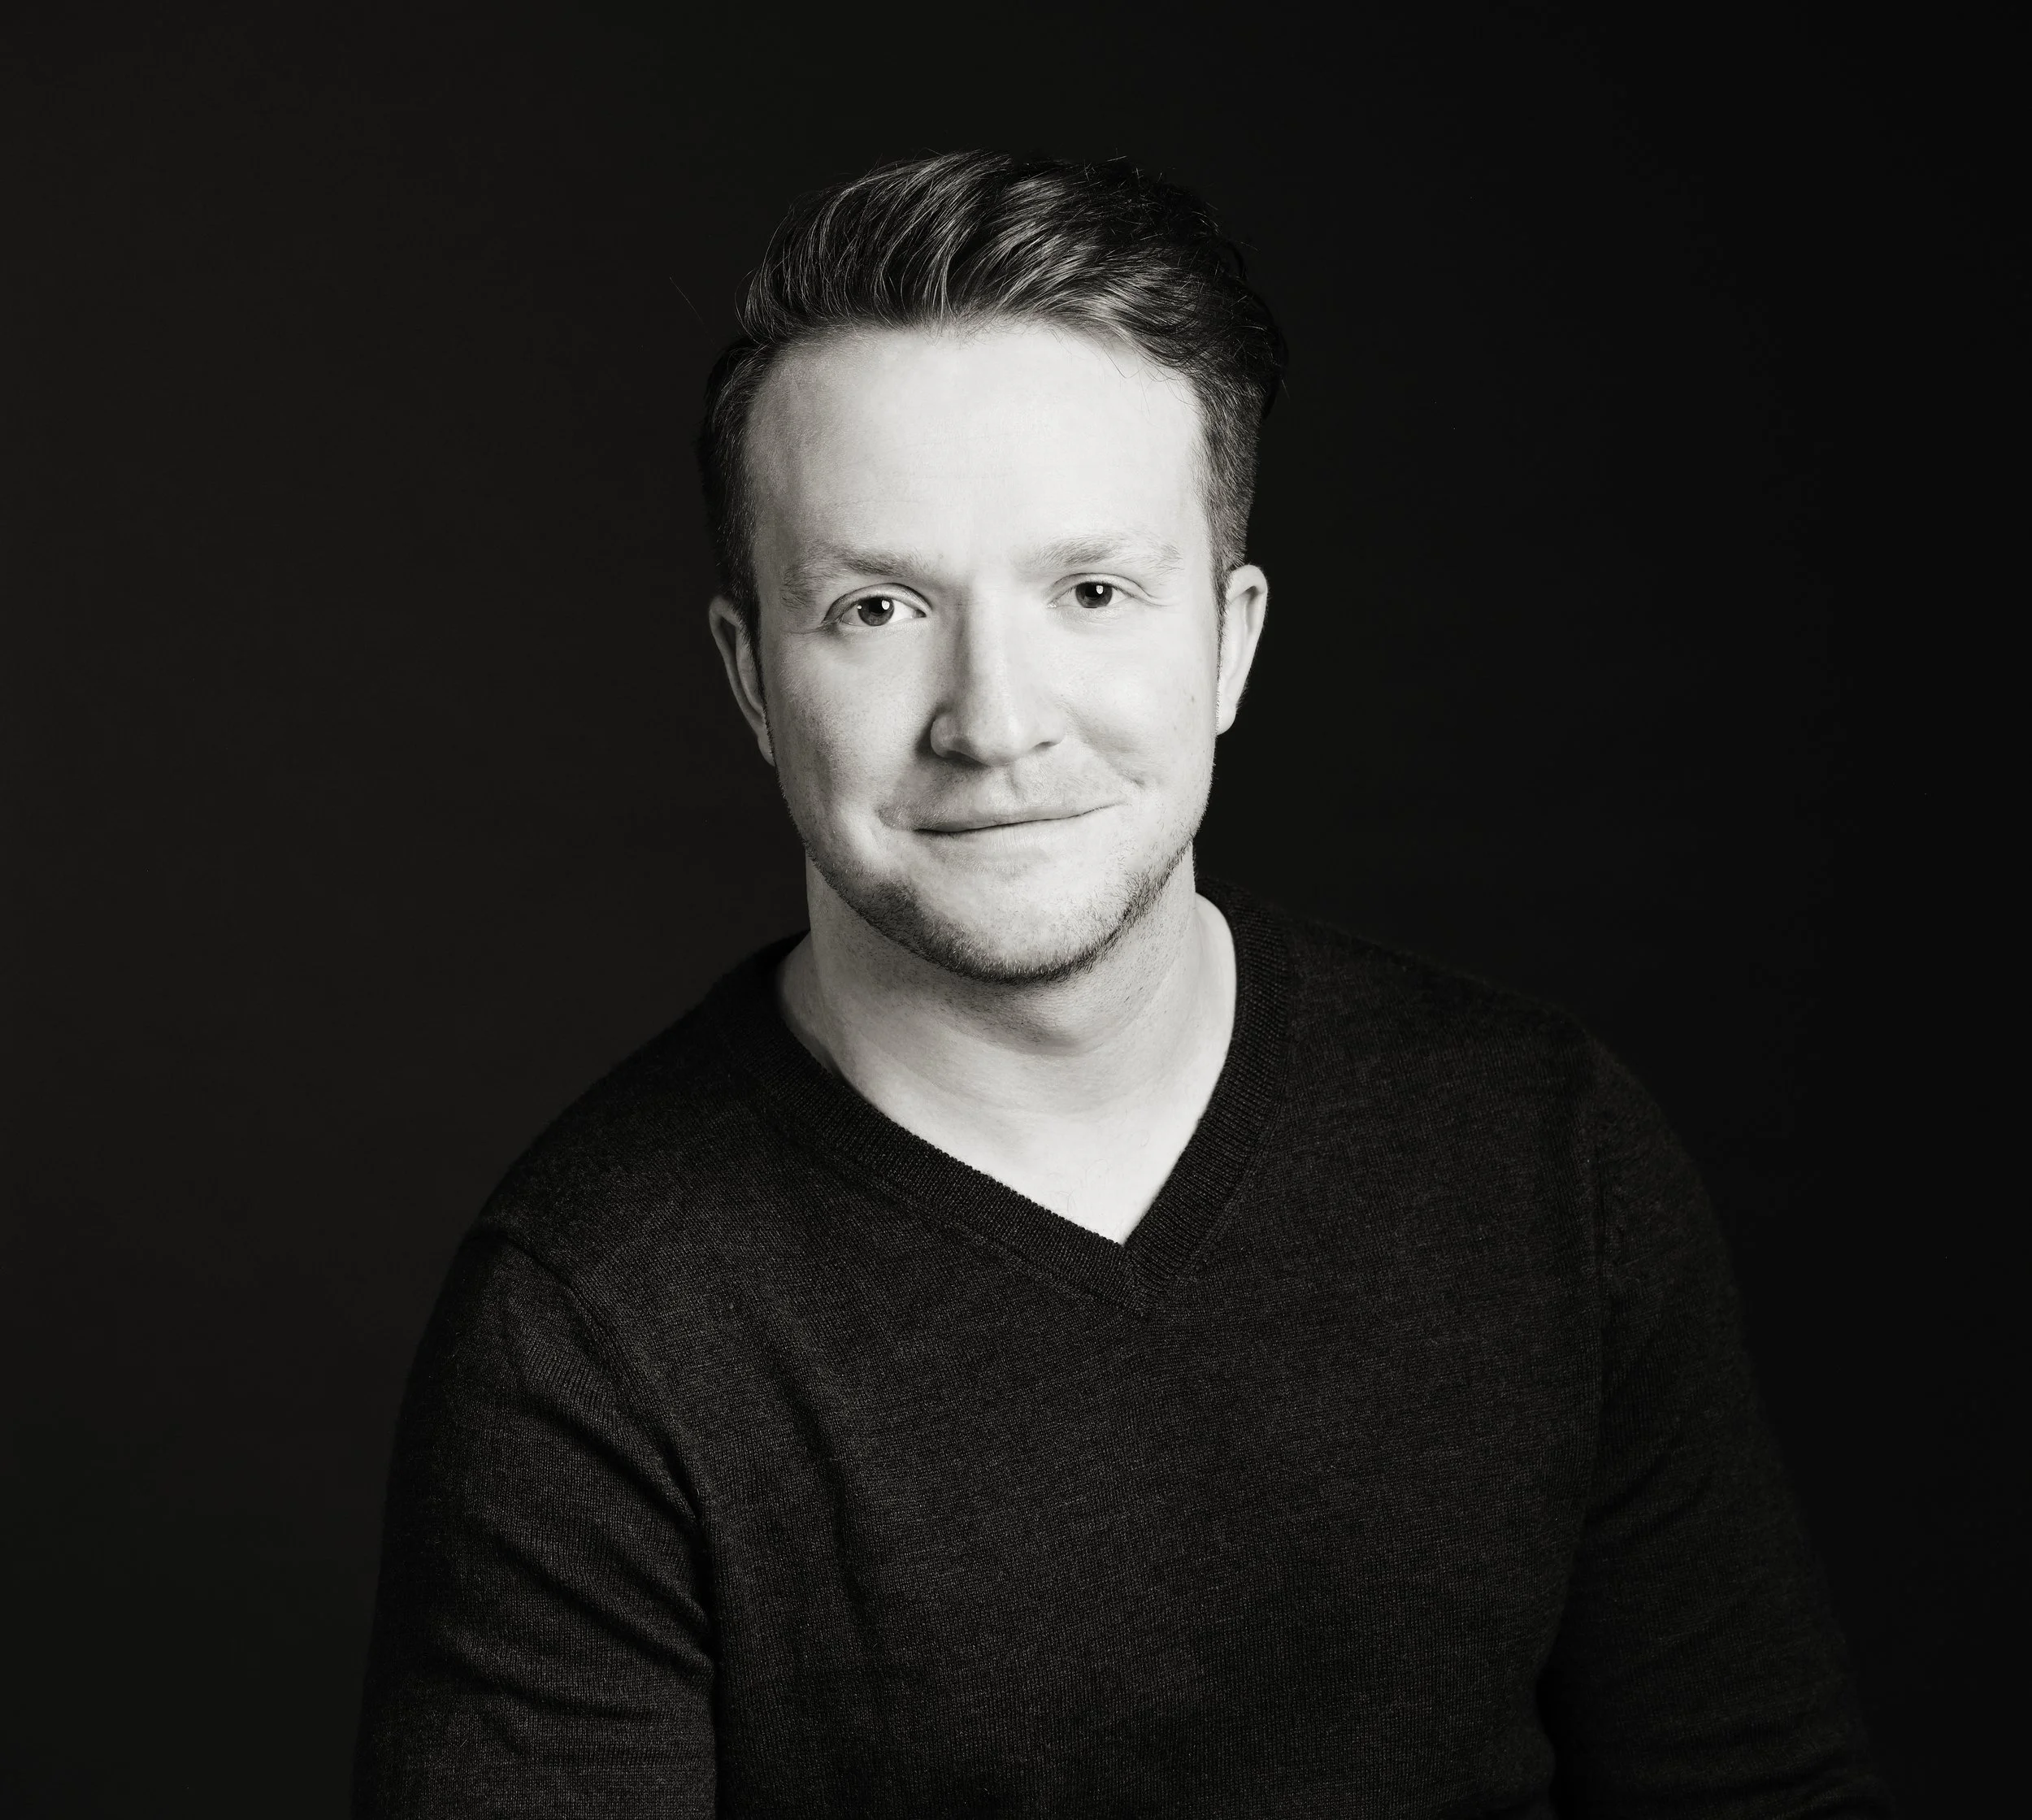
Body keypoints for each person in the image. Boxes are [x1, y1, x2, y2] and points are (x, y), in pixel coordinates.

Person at [354, 151, 1890, 1818]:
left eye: (1089, 593)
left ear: (1226, 641)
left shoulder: (1538, 1153)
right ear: (749, 676)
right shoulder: (591, 1321)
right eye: (875, 608)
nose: (992, 718)